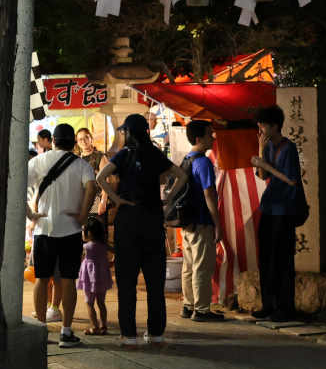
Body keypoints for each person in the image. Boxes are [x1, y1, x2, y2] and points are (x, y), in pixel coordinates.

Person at [97, 113, 187, 347]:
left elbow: (101, 177)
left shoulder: (124, 155)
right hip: (152, 221)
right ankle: (156, 333)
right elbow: (181, 175)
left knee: (126, 281)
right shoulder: (154, 153)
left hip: (128, 221)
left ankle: (129, 335)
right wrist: (167, 198)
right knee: (154, 282)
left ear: (129, 132)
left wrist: (116, 199)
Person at [27, 123, 96, 347]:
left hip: (44, 229)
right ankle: (66, 332)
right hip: (71, 230)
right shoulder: (81, 164)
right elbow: (92, 187)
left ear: (53, 141)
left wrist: (31, 214)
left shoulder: (38, 161)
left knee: (42, 279)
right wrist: (83, 216)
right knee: (68, 280)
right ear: (73, 143)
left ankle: (41, 330)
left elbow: (18, 186)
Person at [249, 105, 301, 322]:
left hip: (285, 208)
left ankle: (285, 306)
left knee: (282, 258)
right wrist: (261, 153)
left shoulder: (289, 148)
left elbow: (289, 179)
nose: (260, 128)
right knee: (266, 258)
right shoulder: (268, 146)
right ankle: (268, 304)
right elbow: (262, 175)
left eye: (263, 124)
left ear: (274, 125)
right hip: (269, 207)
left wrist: (263, 163)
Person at [176, 120, 225, 322]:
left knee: (188, 266)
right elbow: (209, 194)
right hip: (202, 221)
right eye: (209, 134)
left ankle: (188, 305)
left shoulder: (186, 159)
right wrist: (218, 223)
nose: (213, 138)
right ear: (199, 138)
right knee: (202, 266)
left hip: (187, 223)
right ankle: (202, 310)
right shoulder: (203, 162)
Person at [77, 214, 112, 335]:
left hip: (88, 279)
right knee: (101, 303)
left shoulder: (86, 247)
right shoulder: (104, 245)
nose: (82, 233)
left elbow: (80, 259)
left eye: (83, 231)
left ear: (90, 233)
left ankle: (95, 327)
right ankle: (104, 326)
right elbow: (116, 251)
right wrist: (111, 262)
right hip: (102, 279)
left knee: (89, 303)